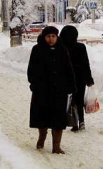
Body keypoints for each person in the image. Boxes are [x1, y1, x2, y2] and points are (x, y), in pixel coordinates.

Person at [27, 26, 76, 154]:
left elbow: (68, 69)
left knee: (58, 118)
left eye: (53, 36)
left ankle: (56, 146)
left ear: (57, 37)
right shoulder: (37, 50)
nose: (51, 39)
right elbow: (31, 69)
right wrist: (34, 83)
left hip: (59, 90)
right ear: (44, 37)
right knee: (42, 116)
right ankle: (41, 138)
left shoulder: (62, 49)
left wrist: (71, 86)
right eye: (48, 36)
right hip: (42, 90)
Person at [59, 25, 94, 132]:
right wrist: (89, 79)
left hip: (66, 78)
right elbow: (85, 64)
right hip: (80, 78)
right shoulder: (81, 47)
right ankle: (81, 121)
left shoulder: (61, 47)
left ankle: (73, 122)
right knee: (79, 100)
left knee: (69, 100)